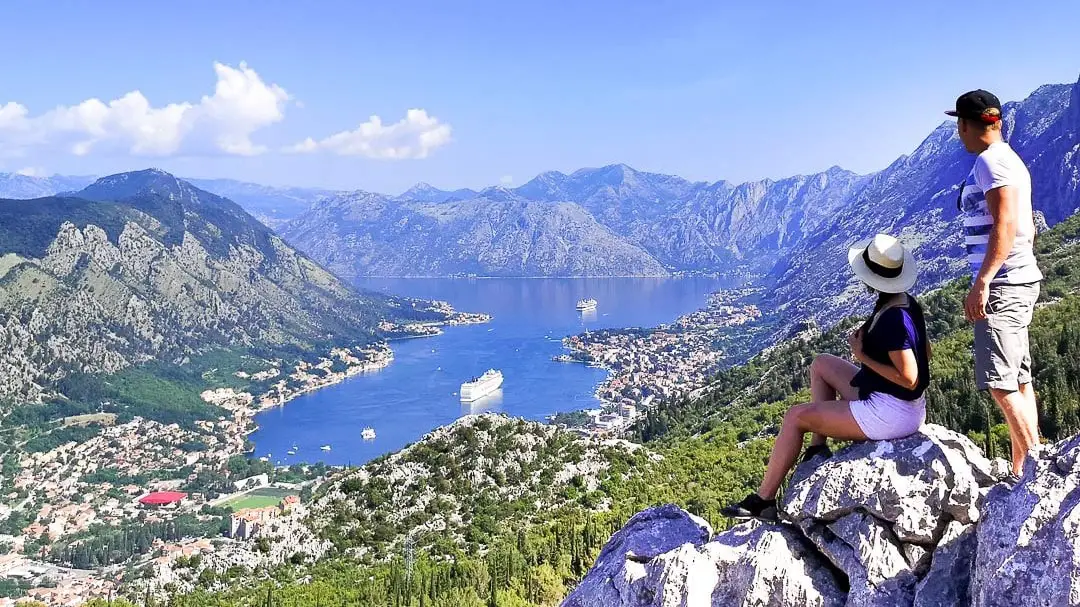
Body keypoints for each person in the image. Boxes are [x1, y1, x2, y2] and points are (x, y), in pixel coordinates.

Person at [721, 234, 930, 520]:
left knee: (795, 417)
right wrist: (877, 352)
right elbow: (925, 353)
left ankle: (763, 501)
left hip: (891, 412)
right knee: (821, 364)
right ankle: (817, 448)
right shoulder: (904, 303)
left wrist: (863, 355)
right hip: (899, 402)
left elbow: (910, 378)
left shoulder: (894, 318)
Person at [950, 89, 1043, 480]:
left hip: (1003, 284)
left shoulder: (990, 162)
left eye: (960, 125)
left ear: (970, 125)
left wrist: (983, 281)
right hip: (1020, 278)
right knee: (1019, 379)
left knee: (1000, 384)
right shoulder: (1009, 159)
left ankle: (1038, 470)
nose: (959, 134)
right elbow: (1026, 227)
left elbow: (1005, 223)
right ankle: (1024, 467)